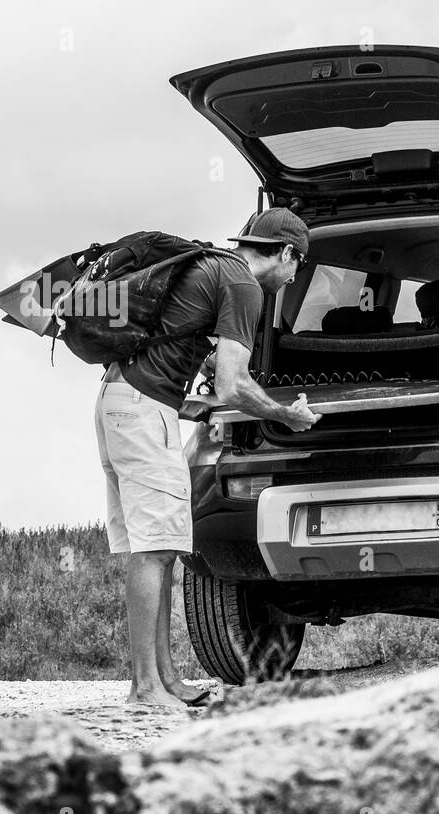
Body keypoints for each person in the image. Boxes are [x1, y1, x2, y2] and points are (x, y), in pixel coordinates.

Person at [94, 208, 321, 708]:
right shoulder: (243, 285)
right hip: (141, 412)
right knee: (154, 549)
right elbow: (234, 384)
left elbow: (196, 362)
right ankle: (145, 689)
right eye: (297, 267)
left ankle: (166, 680)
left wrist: (191, 400)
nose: (292, 278)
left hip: (121, 402)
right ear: (286, 254)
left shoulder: (213, 266)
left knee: (159, 546)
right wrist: (286, 415)